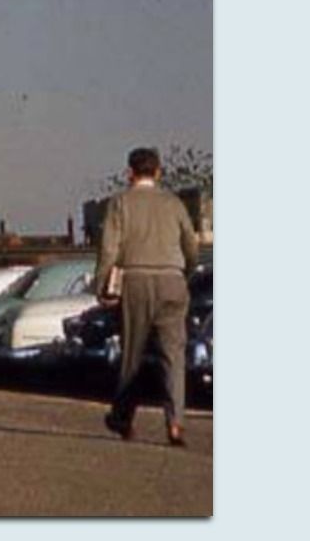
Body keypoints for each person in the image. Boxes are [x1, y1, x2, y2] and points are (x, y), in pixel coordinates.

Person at [94, 146, 202, 446]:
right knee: (173, 355)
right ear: (158, 172)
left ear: (130, 173)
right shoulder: (174, 203)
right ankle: (176, 422)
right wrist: (185, 273)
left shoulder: (120, 203)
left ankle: (124, 417)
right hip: (173, 279)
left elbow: (109, 249)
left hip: (136, 280)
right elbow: (191, 246)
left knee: (133, 354)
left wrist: (101, 284)